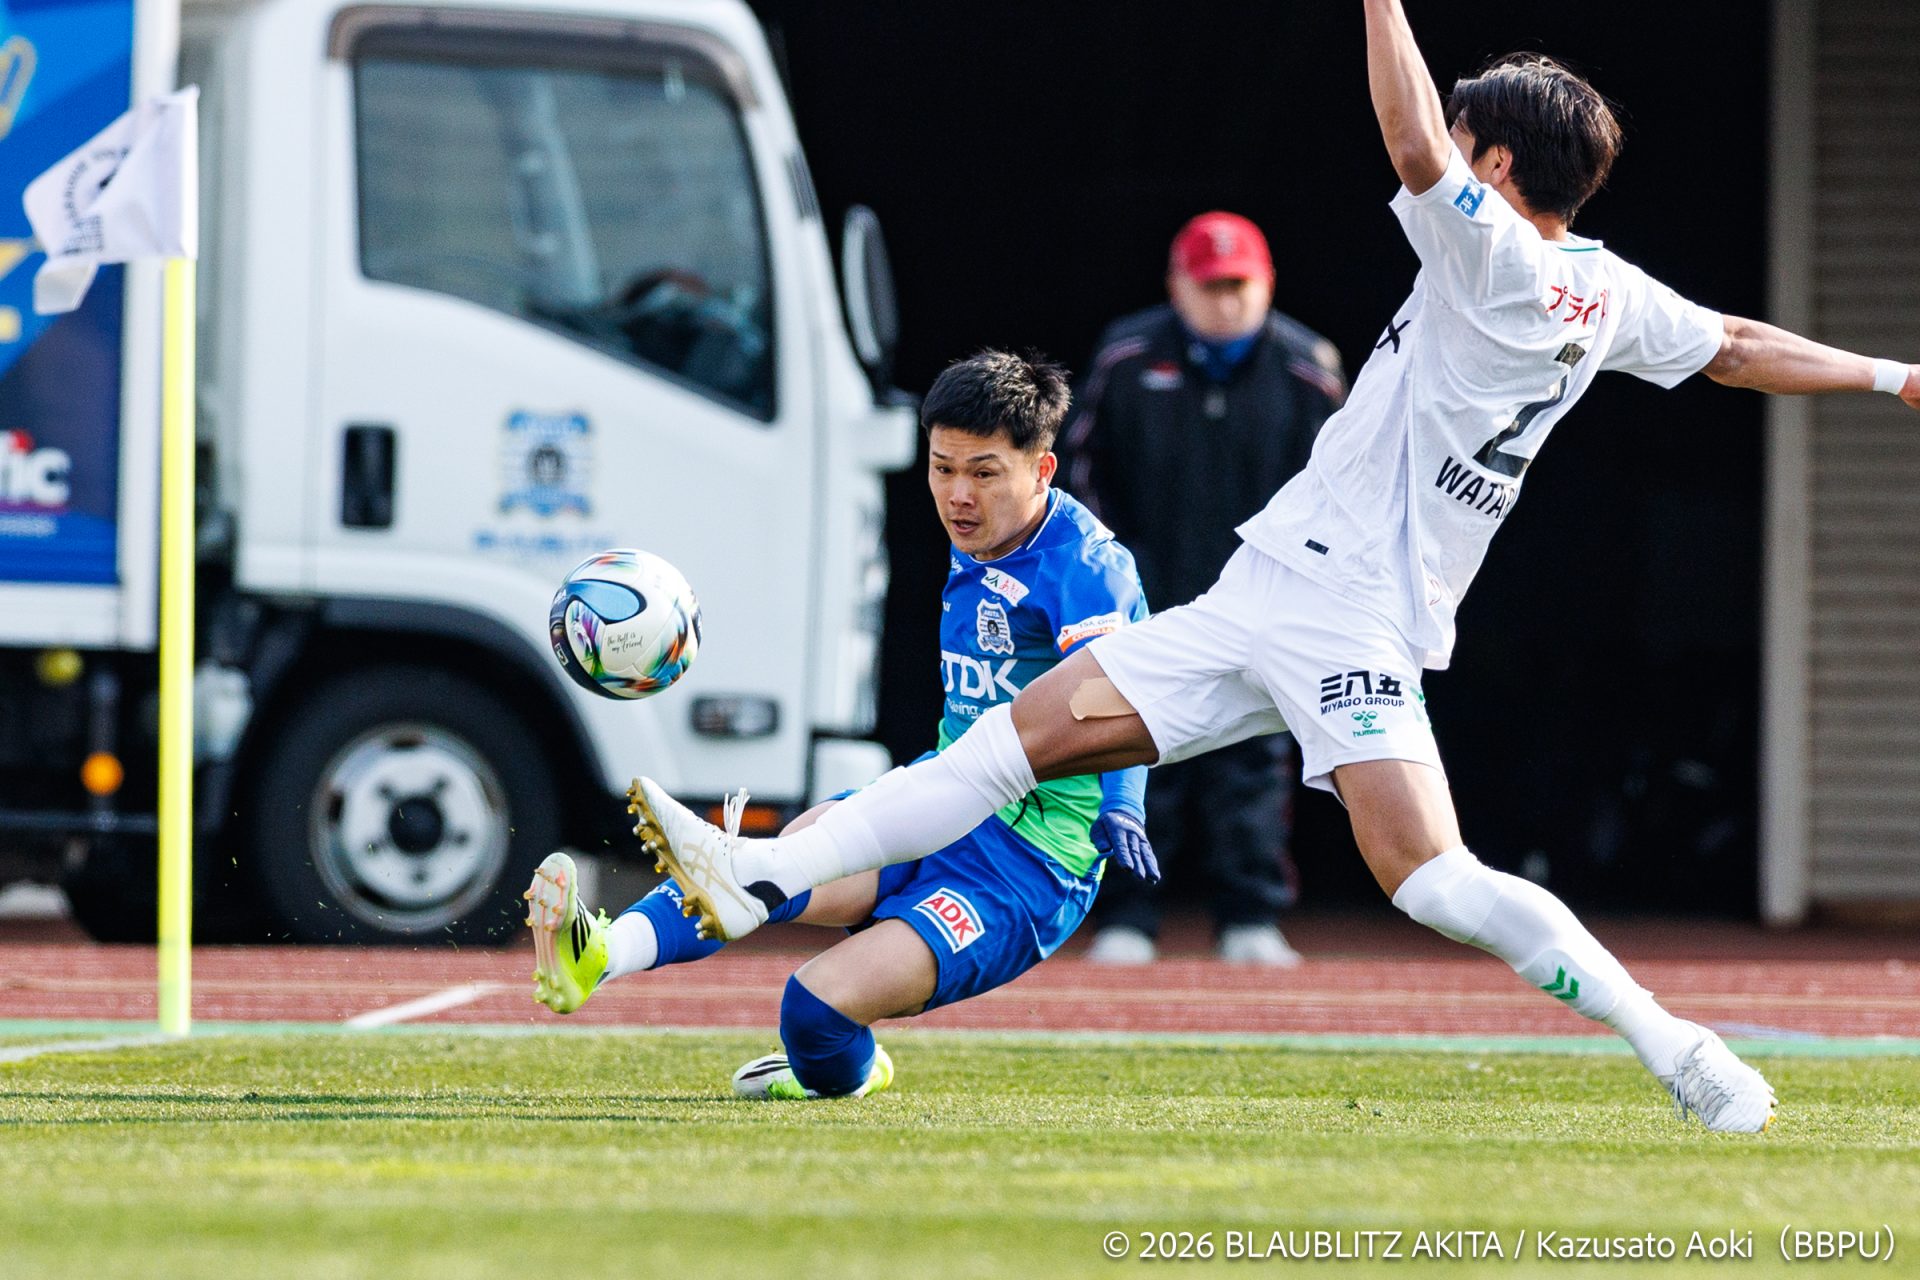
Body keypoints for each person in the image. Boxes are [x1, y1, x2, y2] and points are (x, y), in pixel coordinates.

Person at [630, 0, 1920, 1132]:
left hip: (1346, 614)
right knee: (1000, 751)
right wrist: (1894, 374)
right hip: (1265, 590)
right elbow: (1736, 344)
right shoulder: (1610, 288)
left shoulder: (1498, 258)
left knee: (1433, 879)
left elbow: (1410, 142)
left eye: (1468, 139)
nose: (1446, 149)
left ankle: (1680, 1047)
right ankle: (757, 876)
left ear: (1497, 165)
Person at [526, 350, 1155, 1099]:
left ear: (1043, 470)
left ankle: (850, 1072)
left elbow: (1116, 695)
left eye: (984, 473)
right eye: (942, 468)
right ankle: (598, 952)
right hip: (938, 799)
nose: (958, 495)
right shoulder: (981, 533)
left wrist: (1124, 802)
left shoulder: (1086, 568)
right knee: (755, 869)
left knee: (813, 1011)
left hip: (1028, 866)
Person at [1060, 211, 1347, 966]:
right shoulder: (1126, 357)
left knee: (1255, 758)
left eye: (1239, 285)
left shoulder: (1308, 367)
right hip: (1146, 594)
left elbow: (1344, 489)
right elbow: (1080, 469)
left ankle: (1250, 917)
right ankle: (1126, 916)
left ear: (1268, 285)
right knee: (1131, 749)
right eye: (1210, 285)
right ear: (1176, 286)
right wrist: (1110, 572)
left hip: (1264, 597)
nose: (1226, 301)